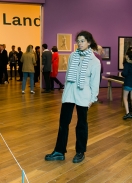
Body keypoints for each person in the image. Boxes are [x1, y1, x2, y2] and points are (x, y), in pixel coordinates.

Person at [45, 30, 100, 163]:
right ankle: (59, 151)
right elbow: (69, 74)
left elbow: (94, 82)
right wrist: (64, 92)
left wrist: (92, 99)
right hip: (69, 93)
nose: (80, 44)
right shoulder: (72, 56)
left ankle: (80, 152)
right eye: (78, 41)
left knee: (81, 124)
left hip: (83, 95)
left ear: (89, 42)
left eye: (82, 41)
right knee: (63, 122)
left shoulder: (94, 61)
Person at [121, 48, 132, 120]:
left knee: (125, 98)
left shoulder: (127, 64)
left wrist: (122, 73)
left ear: (127, 56)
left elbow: (124, 73)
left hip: (128, 82)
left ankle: (127, 113)